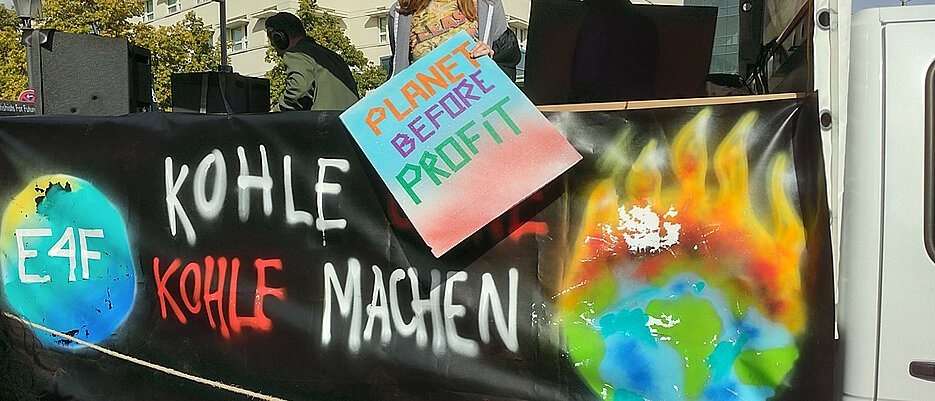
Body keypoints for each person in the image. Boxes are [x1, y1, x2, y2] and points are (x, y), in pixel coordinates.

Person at [387, 0, 521, 81]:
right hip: (424, 108)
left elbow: (507, 60)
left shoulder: (488, 4)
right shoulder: (401, 12)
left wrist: (490, 58)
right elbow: (398, 68)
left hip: (475, 101)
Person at [265, 12, 359, 112]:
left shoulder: (296, 54)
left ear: (280, 39)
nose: (278, 54)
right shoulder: (333, 56)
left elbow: (299, 90)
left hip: (322, 121)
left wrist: (275, 113)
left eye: (275, 47)